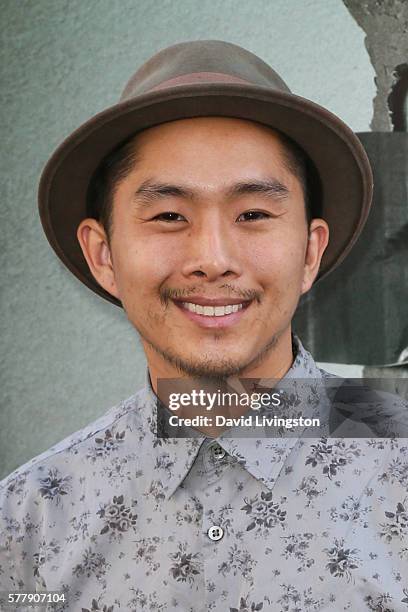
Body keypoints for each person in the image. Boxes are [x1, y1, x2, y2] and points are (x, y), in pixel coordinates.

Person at [1, 40, 407, 612]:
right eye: (169, 215)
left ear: (311, 252)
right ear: (103, 255)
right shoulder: (29, 522)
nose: (213, 258)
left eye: (254, 214)